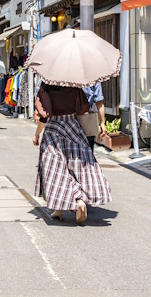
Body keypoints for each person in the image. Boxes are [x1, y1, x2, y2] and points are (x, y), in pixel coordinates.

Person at [34, 81, 111, 224]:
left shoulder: (46, 87)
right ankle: (76, 201)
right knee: (76, 166)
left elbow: (44, 116)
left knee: (57, 171)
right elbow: (83, 108)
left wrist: (36, 134)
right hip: (73, 126)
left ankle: (67, 204)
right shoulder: (75, 87)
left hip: (54, 129)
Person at [81, 81, 107, 149]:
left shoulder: (68, 75)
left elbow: (99, 101)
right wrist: (102, 123)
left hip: (71, 119)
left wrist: (102, 123)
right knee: (88, 150)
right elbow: (99, 102)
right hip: (86, 118)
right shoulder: (93, 77)